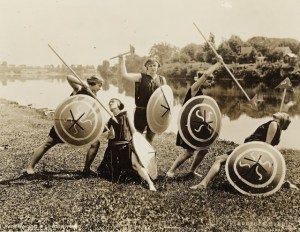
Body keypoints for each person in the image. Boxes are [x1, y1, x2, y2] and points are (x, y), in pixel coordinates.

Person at [191, 112, 298, 190]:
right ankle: (284, 184)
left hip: (250, 151)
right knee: (220, 159)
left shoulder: (274, 124)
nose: (278, 112)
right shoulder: (276, 126)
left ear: (282, 118)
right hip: (250, 150)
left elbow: (266, 146)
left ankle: (203, 184)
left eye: (281, 113)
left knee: (219, 159)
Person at [23, 74, 104, 175]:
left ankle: (86, 169)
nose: (101, 88)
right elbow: (69, 77)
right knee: (48, 143)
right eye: (99, 85)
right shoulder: (78, 90)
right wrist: (83, 83)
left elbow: (88, 112)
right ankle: (30, 167)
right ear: (93, 83)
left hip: (80, 125)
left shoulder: (93, 96)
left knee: (95, 143)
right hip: (66, 123)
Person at [166, 57, 222, 178]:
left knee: (204, 148)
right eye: (209, 81)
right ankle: (171, 171)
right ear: (203, 80)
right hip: (189, 125)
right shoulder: (194, 89)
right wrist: (218, 64)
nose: (210, 83)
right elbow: (206, 74)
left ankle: (191, 171)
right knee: (189, 152)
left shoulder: (201, 93)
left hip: (199, 125)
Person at [97, 98, 156, 191]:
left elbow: (132, 129)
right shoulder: (110, 120)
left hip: (125, 145)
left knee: (135, 165)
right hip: (113, 149)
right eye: (109, 102)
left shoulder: (126, 114)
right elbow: (100, 131)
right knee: (112, 174)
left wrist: (138, 141)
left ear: (119, 104)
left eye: (113, 101)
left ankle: (150, 183)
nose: (110, 103)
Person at [119, 56, 166, 144]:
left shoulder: (162, 79)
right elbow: (125, 75)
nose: (152, 68)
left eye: (154, 65)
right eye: (150, 66)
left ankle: (147, 156)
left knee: (150, 138)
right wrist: (123, 61)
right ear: (147, 67)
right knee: (137, 136)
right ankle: (133, 155)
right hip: (141, 111)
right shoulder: (141, 77)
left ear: (158, 67)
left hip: (154, 112)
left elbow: (165, 98)